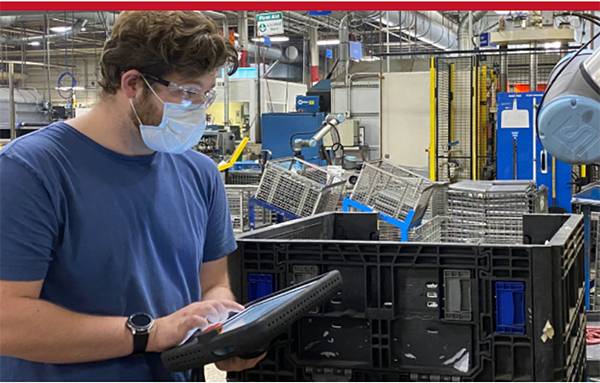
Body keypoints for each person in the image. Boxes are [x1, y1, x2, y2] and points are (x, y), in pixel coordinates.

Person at [0, 11, 263, 381]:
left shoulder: (200, 174)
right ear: (133, 84)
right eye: (186, 93)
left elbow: (212, 283)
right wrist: (148, 334)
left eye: (206, 94)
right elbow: (7, 322)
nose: (199, 108)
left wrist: (221, 329)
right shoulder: (30, 172)